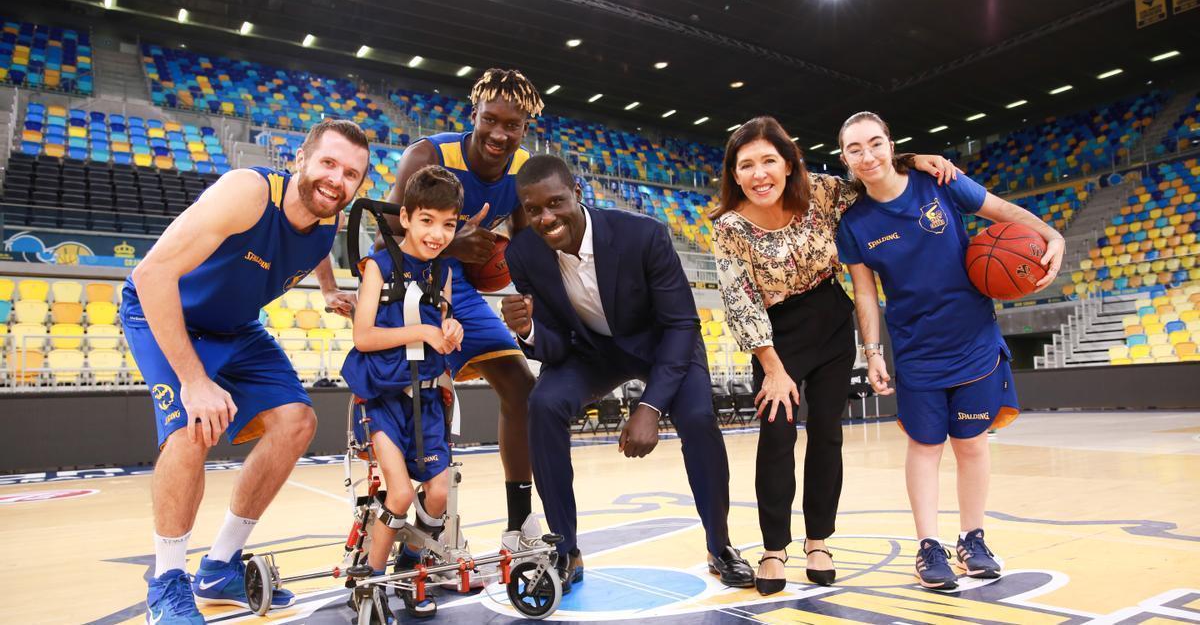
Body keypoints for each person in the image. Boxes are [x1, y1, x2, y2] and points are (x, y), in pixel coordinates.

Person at [121, 119, 368, 624]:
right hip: (165, 313)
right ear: (299, 159)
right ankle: (167, 584)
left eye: (350, 174)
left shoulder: (329, 220)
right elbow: (151, 275)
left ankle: (219, 568)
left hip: (235, 327)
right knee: (193, 429)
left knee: (297, 421)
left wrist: (326, 290)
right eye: (327, 163)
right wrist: (193, 380)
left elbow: (317, 247)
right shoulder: (248, 193)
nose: (336, 180)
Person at [710, 116, 957, 594]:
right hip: (773, 336)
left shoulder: (821, 192)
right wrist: (773, 370)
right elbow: (738, 299)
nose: (760, 174)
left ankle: (819, 541)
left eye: (769, 161)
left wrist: (910, 160)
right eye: (746, 165)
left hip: (830, 319)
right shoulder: (729, 226)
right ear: (734, 174)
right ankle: (774, 548)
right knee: (777, 438)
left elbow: (869, 175)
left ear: (788, 164)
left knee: (827, 434)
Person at [499, 154, 755, 592]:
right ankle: (565, 551)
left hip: (664, 345)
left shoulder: (643, 234)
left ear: (577, 194)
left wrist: (651, 405)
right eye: (533, 209)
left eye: (556, 202)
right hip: (593, 352)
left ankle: (720, 544)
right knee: (541, 403)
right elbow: (557, 344)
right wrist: (528, 331)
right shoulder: (523, 254)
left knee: (696, 418)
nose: (546, 217)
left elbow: (681, 324)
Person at [833, 111, 1063, 590]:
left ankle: (972, 539)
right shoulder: (854, 223)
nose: (867, 155)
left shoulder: (939, 180)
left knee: (973, 445)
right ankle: (929, 547)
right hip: (917, 350)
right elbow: (866, 294)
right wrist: (872, 352)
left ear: (891, 143)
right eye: (855, 149)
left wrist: (1052, 235)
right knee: (925, 447)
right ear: (845, 159)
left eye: (875, 143)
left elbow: (1005, 213)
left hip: (975, 339)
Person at [315, 69, 543, 550]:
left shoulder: (524, 169)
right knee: (417, 404)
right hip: (414, 285)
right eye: (491, 120)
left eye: (513, 125)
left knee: (521, 385)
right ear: (474, 115)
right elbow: (384, 238)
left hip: (463, 291)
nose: (501, 133)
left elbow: (522, 249)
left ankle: (518, 524)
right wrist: (450, 245)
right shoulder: (429, 154)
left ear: (526, 127)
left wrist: (528, 299)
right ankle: (412, 532)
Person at [340, 165, 466, 619]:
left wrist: (450, 330)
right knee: (397, 494)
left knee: (437, 493)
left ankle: (412, 565)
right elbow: (363, 337)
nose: (437, 233)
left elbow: (443, 329)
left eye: (449, 224)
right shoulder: (378, 265)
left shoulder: (444, 272)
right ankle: (372, 582)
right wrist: (422, 331)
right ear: (407, 217)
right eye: (428, 220)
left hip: (427, 398)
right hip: (382, 399)